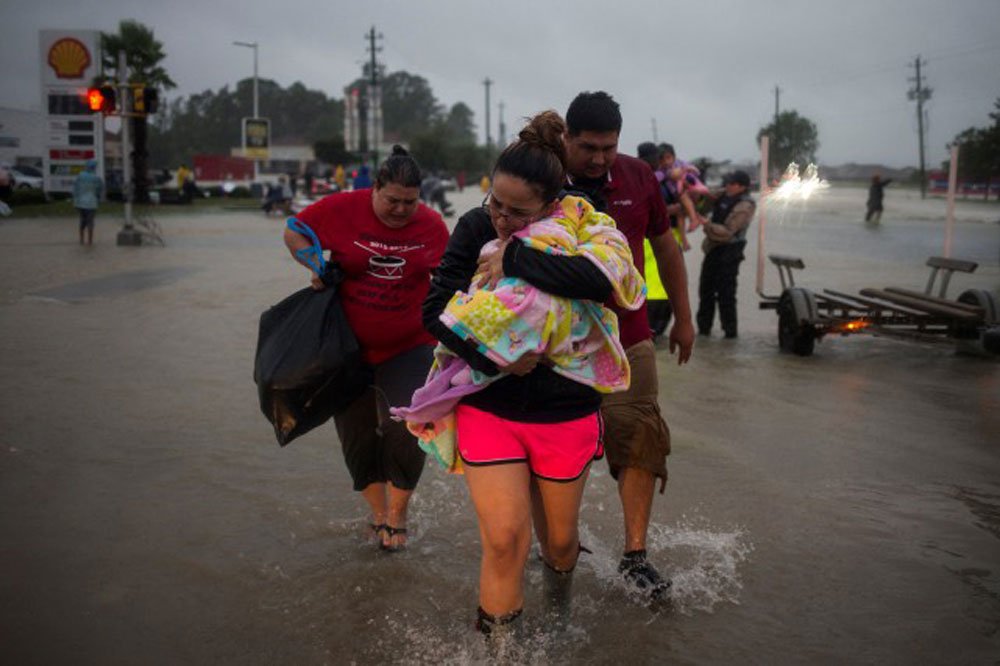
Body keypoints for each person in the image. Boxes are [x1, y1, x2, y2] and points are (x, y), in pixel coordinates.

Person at [421, 110, 644, 638]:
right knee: (502, 540)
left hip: (564, 407)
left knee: (560, 541)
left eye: (517, 213)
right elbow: (435, 311)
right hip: (489, 404)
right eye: (495, 204)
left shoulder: (585, 223)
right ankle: (501, 651)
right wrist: (495, 357)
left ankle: (559, 620)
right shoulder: (475, 227)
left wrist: (517, 255)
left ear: (552, 203)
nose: (500, 219)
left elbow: (598, 282)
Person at [561, 91, 694, 600]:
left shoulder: (638, 176)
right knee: (556, 444)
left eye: (608, 148)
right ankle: (556, 544)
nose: (598, 159)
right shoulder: (542, 174)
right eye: (588, 147)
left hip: (629, 333)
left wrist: (683, 317)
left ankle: (635, 554)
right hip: (554, 344)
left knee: (640, 432)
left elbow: (665, 245)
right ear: (567, 138)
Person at [283, 146, 448, 551]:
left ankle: (398, 513)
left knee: (409, 426)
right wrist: (316, 266)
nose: (400, 210)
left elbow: (451, 276)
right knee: (357, 438)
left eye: (409, 202)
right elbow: (293, 229)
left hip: (411, 344)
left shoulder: (431, 225)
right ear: (374, 189)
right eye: (392, 200)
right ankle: (377, 514)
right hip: (347, 348)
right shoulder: (342, 208)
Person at [696, 170, 756, 338]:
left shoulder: (746, 205)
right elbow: (701, 204)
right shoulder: (721, 195)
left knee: (726, 294)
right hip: (712, 250)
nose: (727, 186)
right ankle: (703, 331)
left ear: (742, 187)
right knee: (705, 290)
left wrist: (707, 225)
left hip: (730, 253)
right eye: (727, 183)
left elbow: (729, 232)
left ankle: (730, 334)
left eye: (731, 183)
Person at [72, 160, 104, 246]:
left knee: (82, 221)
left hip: (80, 203)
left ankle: (81, 240)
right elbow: (100, 190)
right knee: (90, 222)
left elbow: (75, 189)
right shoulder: (96, 178)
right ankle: (90, 241)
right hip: (91, 204)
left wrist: (75, 202)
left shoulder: (80, 176)